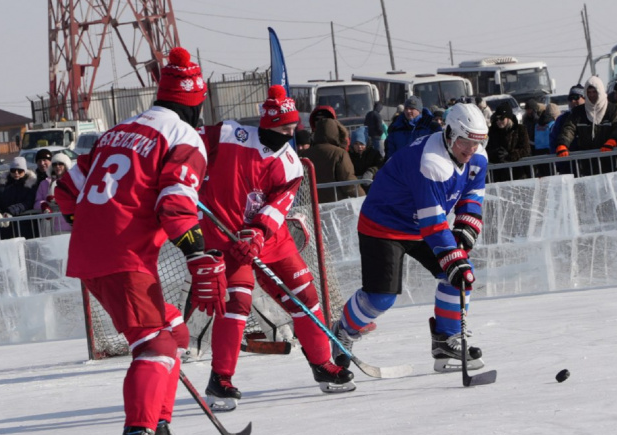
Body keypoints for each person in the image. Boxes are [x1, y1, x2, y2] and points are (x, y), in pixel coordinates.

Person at [55, 46, 213, 435]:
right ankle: (138, 434)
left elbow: (66, 190)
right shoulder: (184, 136)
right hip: (124, 257)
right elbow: (175, 205)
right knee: (155, 344)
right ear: (195, 103)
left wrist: (93, 223)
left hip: (91, 254)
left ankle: (159, 428)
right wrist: (197, 254)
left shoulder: (116, 131)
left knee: (173, 332)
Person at [197, 85, 355, 412]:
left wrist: (258, 233)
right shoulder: (230, 134)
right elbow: (187, 144)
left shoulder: (291, 162)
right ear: (268, 124)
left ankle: (322, 363)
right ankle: (220, 379)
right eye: (284, 129)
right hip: (225, 237)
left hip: (270, 238)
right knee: (238, 301)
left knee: (306, 295)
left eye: (293, 128)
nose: (290, 134)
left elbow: (279, 204)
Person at [329, 103, 489, 375]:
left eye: (477, 142)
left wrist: (465, 231)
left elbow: (472, 196)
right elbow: (432, 223)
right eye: (465, 141)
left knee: (461, 275)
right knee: (381, 298)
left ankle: (446, 341)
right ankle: (343, 331)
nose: (470, 149)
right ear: (450, 133)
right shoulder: (431, 161)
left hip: (421, 224)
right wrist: (453, 256)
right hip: (384, 225)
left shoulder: (477, 157)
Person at [555, 76, 617, 176]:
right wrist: (563, 144)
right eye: (589, 92)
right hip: (586, 163)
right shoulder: (578, 112)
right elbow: (569, 128)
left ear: (600, 91)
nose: (592, 95)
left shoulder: (614, 110)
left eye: (594, 92)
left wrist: (612, 141)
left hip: (611, 160)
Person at [304, 117, 365, 203]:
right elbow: (348, 181)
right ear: (336, 133)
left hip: (310, 204)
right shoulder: (339, 153)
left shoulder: (304, 154)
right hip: (335, 204)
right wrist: (363, 197)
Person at [384, 95, 442, 161]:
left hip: (424, 165)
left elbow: (439, 149)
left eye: (412, 108)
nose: (408, 111)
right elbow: (390, 150)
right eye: (406, 108)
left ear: (419, 110)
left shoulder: (432, 127)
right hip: (401, 165)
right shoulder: (396, 126)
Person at [486, 102, 530, 182]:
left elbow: (526, 149)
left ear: (508, 118)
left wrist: (509, 155)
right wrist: (496, 154)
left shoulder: (520, 130)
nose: (499, 121)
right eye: (497, 119)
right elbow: (487, 149)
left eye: (502, 118)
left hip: (518, 174)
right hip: (498, 175)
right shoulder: (492, 131)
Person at [0, 157, 38, 239]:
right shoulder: (2, 184)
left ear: (24, 171)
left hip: (26, 225)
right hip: (7, 227)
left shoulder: (30, 184)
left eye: (20, 171)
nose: (16, 173)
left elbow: (28, 202)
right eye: (13, 170)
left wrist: (10, 211)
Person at [34, 152, 72, 233]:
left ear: (66, 165)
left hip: (69, 224)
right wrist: (44, 205)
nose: (57, 166)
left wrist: (58, 200)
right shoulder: (44, 183)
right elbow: (37, 202)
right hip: (51, 226)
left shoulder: (72, 181)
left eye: (60, 164)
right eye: (55, 164)